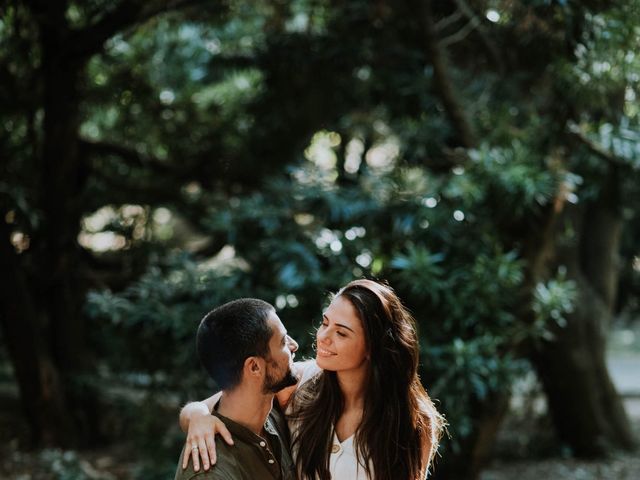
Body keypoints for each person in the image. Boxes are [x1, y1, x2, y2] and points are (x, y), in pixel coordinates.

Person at [180, 280, 446, 479]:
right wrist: (198, 416)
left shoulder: (412, 422)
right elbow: (231, 396)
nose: (323, 337)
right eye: (324, 322)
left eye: (341, 333)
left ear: (372, 348)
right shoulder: (300, 385)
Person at [174, 298, 299, 480]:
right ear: (254, 367)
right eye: (282, 342)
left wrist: (196, 413)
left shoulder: (271, 408)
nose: (294, 345)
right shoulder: (211, 472)